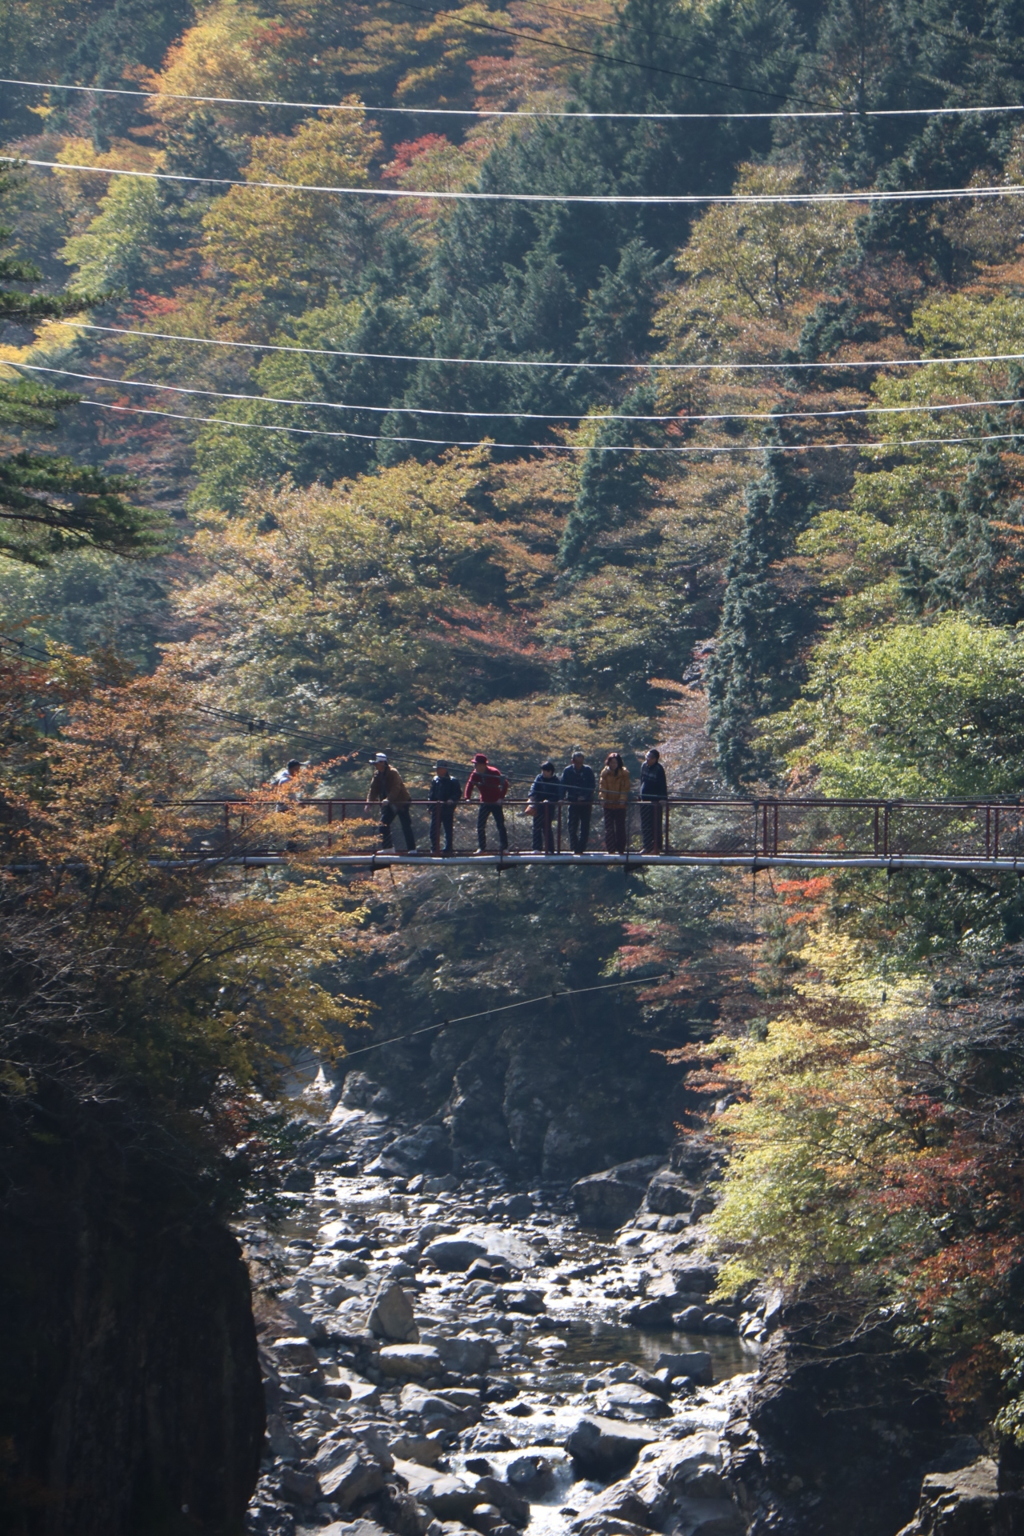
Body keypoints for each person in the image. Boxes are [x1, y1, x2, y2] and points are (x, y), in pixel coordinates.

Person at [365, 752, 417, 853]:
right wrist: (369, 803)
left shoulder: (393, 772)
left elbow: (396, 788)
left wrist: (388, 799)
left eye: (376, 763)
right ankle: (388, 848)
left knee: (406, 825)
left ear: (382, 762)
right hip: (388, 803)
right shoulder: (377, 774)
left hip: (401, 802)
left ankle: (412, 849)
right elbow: (373, 789)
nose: (375, 766)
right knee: (383, 824)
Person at [464, 753, 510, 852]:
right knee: (480, 825)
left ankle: (504, 847)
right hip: (484, 802)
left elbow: (505, 784)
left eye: (476, 764)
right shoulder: (475, 774)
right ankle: (482, 847)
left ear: (483, 765)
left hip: (496, 803)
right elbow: (470, 785)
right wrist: (467, 798)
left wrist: (501, 798)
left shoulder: (494, 772)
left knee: (500, 825)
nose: (475, 766)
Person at [561, 750, 596, 854]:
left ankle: (581, 847)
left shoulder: (588, 770)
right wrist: (561, 797)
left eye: (581, 762)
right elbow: (563, 785)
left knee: (585, 826)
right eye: (577, 762)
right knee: (572, 825)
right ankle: (574, 846)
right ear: (572, 761)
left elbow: (592, 786)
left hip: (585, 803)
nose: (579, 765)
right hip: (573, 801)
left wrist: (585, 796)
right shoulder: (567, 771)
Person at [599, 751, 631, 854]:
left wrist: (622, 800)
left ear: (619, 763)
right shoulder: (604, 774)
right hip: (608, 805)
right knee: (609, 828)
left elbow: (625, 788)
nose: (613, 765)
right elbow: (602, 787)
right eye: (612, 763)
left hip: (620, 805)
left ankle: (621, 849)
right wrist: (603, 799)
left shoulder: (624, 774)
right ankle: (611, 849)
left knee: (620, 828)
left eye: (615, 763)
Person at [527, 759, 562, 852]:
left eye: (544, 771)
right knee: (536, 826)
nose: (542, 773)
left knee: (547, 827)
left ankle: (550, 849)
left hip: (549, 807)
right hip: (538, 806)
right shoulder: (539, 778)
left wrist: (550, 800)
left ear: (550, 771)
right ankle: (536, 848)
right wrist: (532, 797)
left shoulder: (556, 780)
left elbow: (557, 795)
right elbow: (533, 789)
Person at [429, 760, 462, 855]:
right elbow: (431, 794)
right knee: (434, 829)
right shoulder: (435, 780)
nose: (438, 771)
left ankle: (448, 848)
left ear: (445, 769)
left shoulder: (453, 781)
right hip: (436, 808)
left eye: (439, 769)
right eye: (437, 769)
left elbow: (457, 793)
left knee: (448, 829)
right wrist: (430, 806)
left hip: (447, 809)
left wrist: (452, 799)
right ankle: (434, 848)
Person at [638, 747, 668, 853]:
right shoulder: (644, 766)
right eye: (646, 757)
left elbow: (662, 785)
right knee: (645, 824)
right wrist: (639, 795)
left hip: (655, 802)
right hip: (644, 800)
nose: (647, 760)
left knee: (656, 824)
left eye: (650, 758)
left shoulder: (659, 769)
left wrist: (663, 798)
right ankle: (647, 846)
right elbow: (642, 781)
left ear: (655, 759)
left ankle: (658, 847)